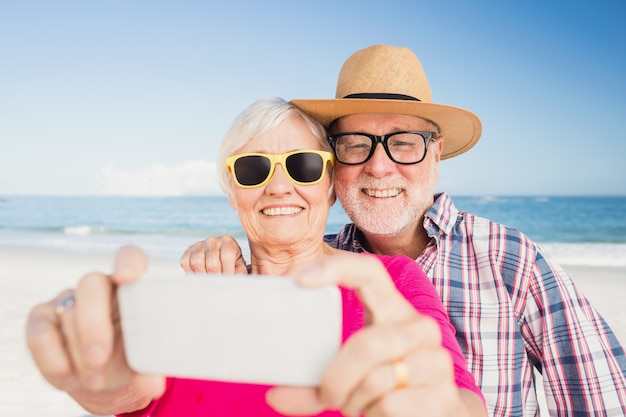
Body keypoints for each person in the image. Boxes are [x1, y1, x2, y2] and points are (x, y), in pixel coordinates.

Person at [181, 45, 626, 416]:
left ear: (436, 155)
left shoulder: (507, 257)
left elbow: (604, 400)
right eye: (357, 144)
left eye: (404, 144)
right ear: (332, 173)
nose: (379, 166)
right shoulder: (321, 265)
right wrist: (221, 253)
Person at [26, 97, 486, 417]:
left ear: (329, 184)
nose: (279, 186)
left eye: (303, 165)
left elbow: (458, 399)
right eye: (253, 168)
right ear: (232, 192)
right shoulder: (194, 298)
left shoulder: (389, 283)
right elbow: (127, 391)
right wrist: (93, 374)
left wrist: (439, 407)